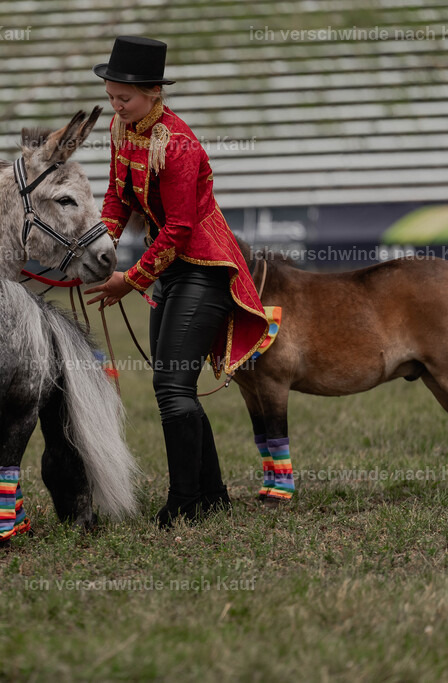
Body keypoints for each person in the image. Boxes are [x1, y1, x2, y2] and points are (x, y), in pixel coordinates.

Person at [85, 36, 273, 527]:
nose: (115, 105)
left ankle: (186, 503)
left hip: (203, 267)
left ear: (152, 92)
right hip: (169, 267)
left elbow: (181, 228)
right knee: (173, 387)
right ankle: (210, 494)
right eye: (110, 97)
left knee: (172, 388)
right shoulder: (122, 130)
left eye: (123, 97)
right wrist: (99, 249)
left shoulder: (178, 142)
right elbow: (116, 200)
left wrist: (132, 278)